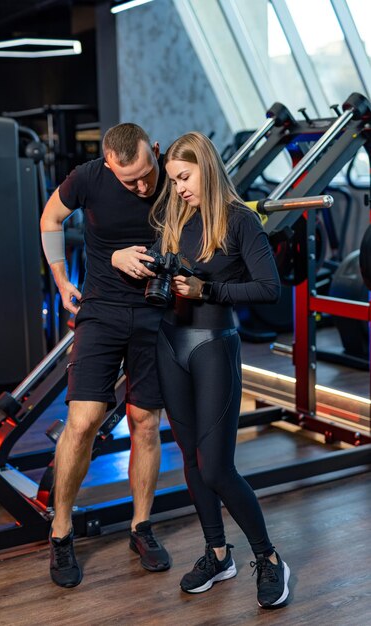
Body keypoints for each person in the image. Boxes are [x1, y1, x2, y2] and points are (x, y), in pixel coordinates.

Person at [145, 131, 290, 608]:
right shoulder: (174, 215)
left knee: (217, 468)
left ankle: (269, 559)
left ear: (206, 167)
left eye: (184, 177)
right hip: (170, 342)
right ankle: (217, 552)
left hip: (213, 343)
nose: (179, 187)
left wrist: (207, 292)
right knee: (189, 459)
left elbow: (270, 289)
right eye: (173, 179)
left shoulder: (241, 221)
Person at [40, 123, 171, 588]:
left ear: (154, 151)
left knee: (145, 422)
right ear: (109, 165)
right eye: (128, 180)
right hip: (102, 310)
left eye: (146, 175)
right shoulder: (88, 177)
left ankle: (141, 527)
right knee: (83, 420)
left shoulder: (173, 174)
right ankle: (60, 531)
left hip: (156, 313)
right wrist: (60, 278)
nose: (141, 187)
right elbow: (50, 218)